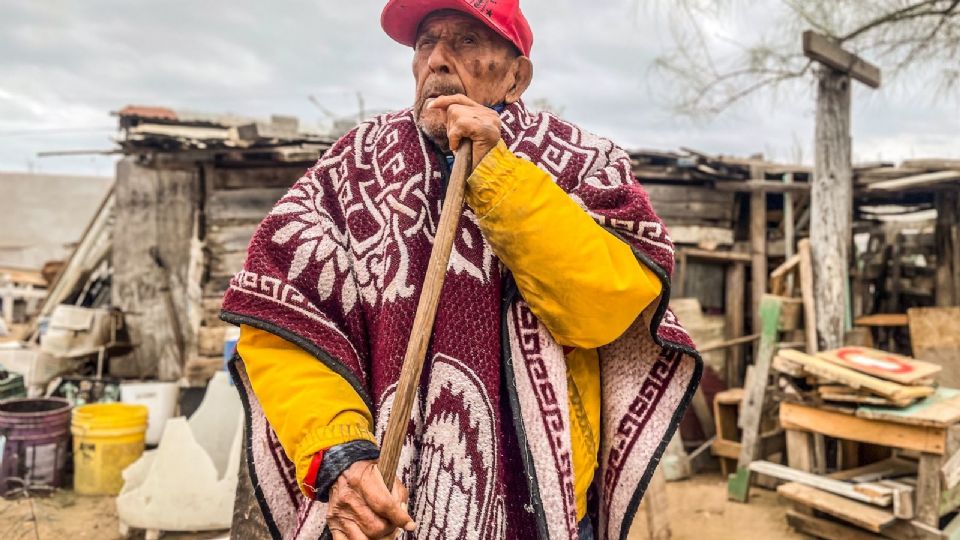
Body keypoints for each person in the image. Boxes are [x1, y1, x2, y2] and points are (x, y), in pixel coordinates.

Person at [221, 1, 701, 538]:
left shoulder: (581, 162)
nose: (439, 61)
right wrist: (339, 454)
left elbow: (605, 308)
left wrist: (495, 172)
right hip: (389, 509)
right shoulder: (351, 168)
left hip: (542, 511)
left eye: (468, 42)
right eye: (427, 43)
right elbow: (279, 322)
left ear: (518, 75)